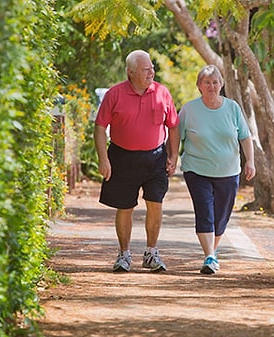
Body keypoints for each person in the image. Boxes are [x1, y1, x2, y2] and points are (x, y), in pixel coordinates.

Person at [94, 50, 180, 273]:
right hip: (122, 157)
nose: (151, 72)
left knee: (155, 203)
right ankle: (124, 254)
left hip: (156, 158)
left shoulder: (162, 92)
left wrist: (173, 156)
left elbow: (173, 125)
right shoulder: (115, 94)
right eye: (145, 69)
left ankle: (151, 253)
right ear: (130, 72)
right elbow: (100, 127)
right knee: (125, 207)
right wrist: (104, 159)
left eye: (152, 67)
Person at [178, 65, 255, 274]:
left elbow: (245, 136)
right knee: (205, 211)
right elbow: (176, 135)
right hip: (196, 169)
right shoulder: (189, 109)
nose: (211, 86)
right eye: (207, 82)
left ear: (221, 84)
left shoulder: (232, 108)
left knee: (222, 216)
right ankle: (209, 256)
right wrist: (171, 158)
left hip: (228, 171)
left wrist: (250, 161)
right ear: (199, 86)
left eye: (215, 82)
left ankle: (212, 251)